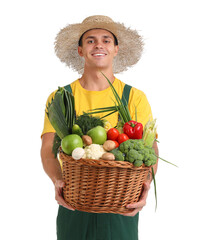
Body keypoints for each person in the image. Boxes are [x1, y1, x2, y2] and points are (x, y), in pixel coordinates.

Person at [41, 15, 158, 240]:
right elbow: (48, 148)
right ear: (80, 50)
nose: (99, 45)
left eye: (106, 40)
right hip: (75, 200)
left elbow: (150, 149)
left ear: (115, 49)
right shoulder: (61, 97)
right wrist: (57, 179)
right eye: (90, 40)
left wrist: (145, 184)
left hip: (122, 204)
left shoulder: (134, 97)